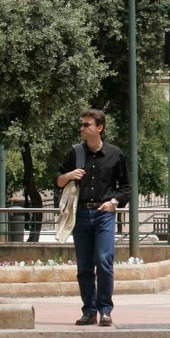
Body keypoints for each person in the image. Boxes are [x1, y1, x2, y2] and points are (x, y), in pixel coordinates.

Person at [56, 109, 129, 327]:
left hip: (103, 214)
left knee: (104, 261)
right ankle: (89, 311)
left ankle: (105, 310)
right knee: (85, 267)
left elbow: (126, 187)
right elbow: (58, 181)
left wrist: (113, 202)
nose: (82, 128)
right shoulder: (75, 153)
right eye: (82, 125)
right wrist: (69, 176)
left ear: (99, 128)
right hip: (80, 215)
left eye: (86, 125)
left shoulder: (115, 154)